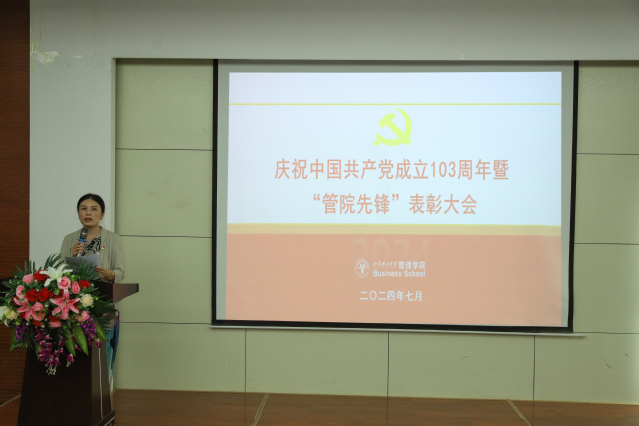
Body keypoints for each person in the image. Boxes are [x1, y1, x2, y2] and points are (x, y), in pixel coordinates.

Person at [60, 193, 125, 386]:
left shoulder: (113, 239)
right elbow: (60, 272)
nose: (88, 213)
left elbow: (120, 272)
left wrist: (109, 274)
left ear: (102, 214)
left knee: (101, 356)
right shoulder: (70, 239)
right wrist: (69, 259)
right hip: (75, 307)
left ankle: (101, 396)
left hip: (103, 307)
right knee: (77, 356)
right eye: (83, 209)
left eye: (94, 209)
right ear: (78, 213)